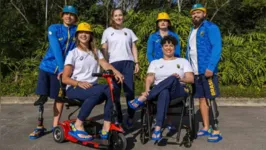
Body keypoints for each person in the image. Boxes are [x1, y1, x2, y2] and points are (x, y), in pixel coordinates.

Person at [62, 22, 124, 141]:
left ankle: (106, 125)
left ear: (90, 35)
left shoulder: (95, 52)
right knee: (102, 90)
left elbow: (105, 64)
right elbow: (65, 78)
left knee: (113, 88)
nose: (84, 35)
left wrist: (116, 71)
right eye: (81, 32)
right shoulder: (73, 53)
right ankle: (78, 124)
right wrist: (78, 83)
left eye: (87, 33)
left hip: (92, 87)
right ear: (77, 35)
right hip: (74, 88)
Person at [128, 35, 194, 140]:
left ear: (174, 47)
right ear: (162, 48)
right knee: (164, 91)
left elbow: (191, 79)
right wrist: (147, 89)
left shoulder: (183, 61)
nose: (168, 48)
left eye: (171, 45)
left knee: (173, 78)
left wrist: (180, 79)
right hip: (160, 92)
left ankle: (143, 98)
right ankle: (158, 128)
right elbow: (149, 78)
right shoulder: (155, 63)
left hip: (178, 91)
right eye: (166, 45)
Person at [29, 5, 78, 139]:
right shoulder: (53, 28)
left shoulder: (77, 31)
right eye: (66, 14)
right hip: (48, 67)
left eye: (72, 14)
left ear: (75, 18)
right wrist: (62, 68)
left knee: (59, 98)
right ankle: (39, 126)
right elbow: (56, 49)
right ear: (62, 16)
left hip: (64, 71)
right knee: (42, 97)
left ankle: (56, 125)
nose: (69, 16)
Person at [186, 4, 223, 143]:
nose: (195, 15)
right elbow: (189, 52)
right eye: (193, 13)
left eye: (198, 13)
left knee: (211, 98)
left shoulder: (211, 28)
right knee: (201, 98)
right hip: (196, 72)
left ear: (204, 14)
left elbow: (217, 47)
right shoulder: (192, 30)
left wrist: (211, 67)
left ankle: (216, 130)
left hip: (207, 71)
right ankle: (206, 127)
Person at [101, 8, 139, 128]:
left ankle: (131, 116)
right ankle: (119, 118)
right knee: (115, 93)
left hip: (128, 63)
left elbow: (133, 47)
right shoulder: (107, 31)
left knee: (130, 92)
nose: (118, 17)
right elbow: (104, 49)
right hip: (114, 65)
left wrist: (136, 62)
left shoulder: (129, 31)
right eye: (116, 15)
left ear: (123, 17)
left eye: (120, 15)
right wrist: (106, 65)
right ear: (112, 17)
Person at [146, 12, 182, 131]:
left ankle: (170, 120)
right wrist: (155, 65)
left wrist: (171, 64)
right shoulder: (153, 36)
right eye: (160, 21)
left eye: (165, 20)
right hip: (158, 69)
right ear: (157, 23)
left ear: (168, 23)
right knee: (162, 91)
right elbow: (149, 53)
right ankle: (156, 118)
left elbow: (177, 52)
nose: (163, 22)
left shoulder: (174, 36)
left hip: (171, 66)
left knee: (167, 89)